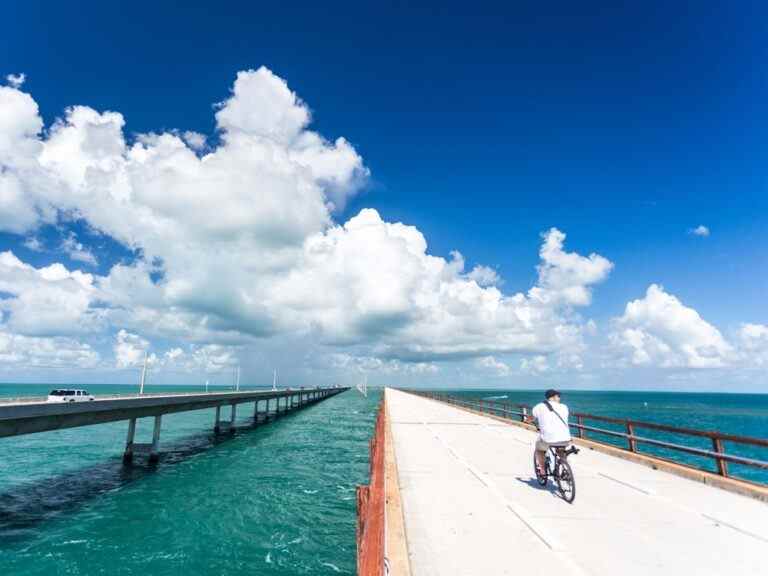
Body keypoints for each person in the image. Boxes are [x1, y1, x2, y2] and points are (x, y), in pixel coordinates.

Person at [530, 389, 571, 476]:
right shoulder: (564, 407)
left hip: (548, 438)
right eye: (558, 396)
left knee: (539, 449)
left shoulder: (539, 406)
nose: (559, 398)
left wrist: (528, 420)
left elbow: (532, 418)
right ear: (553, 397)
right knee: (560, 450)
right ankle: (565, 467)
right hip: (565, 438)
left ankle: (542, 470)